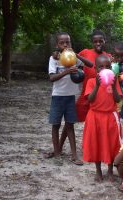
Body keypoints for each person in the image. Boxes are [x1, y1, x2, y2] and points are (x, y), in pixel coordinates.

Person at [47, 32, 91, 165]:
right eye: (62, 43)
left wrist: (76, 55)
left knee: (70, 125)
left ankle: (74, 155)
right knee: (55, 125)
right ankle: (57, 152)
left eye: (68, 42)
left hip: (71, 97)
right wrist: (66, 71)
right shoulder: (54, 58)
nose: (65, 45)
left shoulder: (73, 58)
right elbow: (52, 78)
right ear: (57, 45)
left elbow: (89, 64)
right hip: (58, 97)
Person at [82, 54, 122, 182]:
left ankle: (110, 170)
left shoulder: (113, 81)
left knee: (111, 144)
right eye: (101, 67)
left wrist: (115, 84)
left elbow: (118, 99)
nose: (104, 69)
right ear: (96, 69)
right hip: (94, 117)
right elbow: (90, 99)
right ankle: (98, 171)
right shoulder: (91, 81)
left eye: (108, 66)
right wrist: (97, 86)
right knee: (96, 143)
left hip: (110, 116)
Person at [75, 29, 111, 122]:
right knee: (72, 120)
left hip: (100, 97)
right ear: (92, 42)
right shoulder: (85, 52)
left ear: (104, 41)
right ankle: (63, 137)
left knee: (96, 121)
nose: (98, 43)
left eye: (100, 41)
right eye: (95, 42)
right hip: (85, 95)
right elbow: (72, 60)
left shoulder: (108, 57)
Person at [111, 42, 123, 113]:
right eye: (117, 56)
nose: (119, 59)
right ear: (113, 55)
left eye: (122, 56)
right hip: (115, 93)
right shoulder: (111, 64)